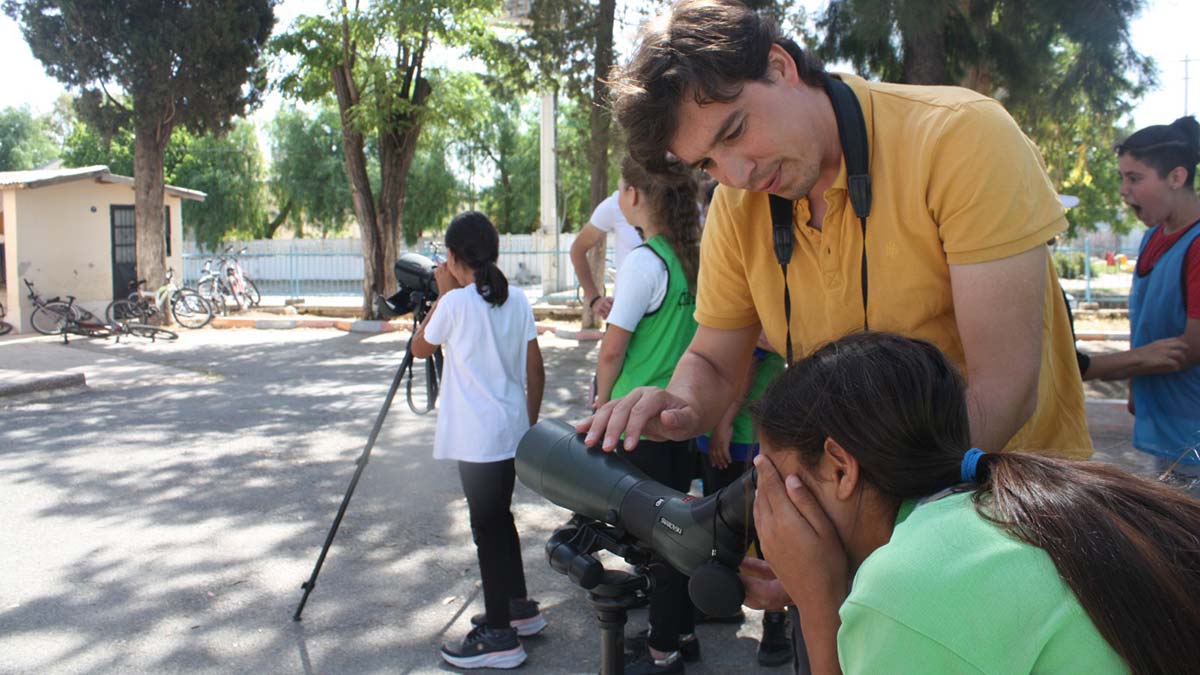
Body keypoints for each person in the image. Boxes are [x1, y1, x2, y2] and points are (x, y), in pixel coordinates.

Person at [583, 0, 1091, 462]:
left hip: (1011, 510)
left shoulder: (959, 136)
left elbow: (1001, 392)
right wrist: (681, 407)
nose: (739, 176)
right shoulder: (736, 206)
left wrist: (868, 518)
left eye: (735, 131)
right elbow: (714, 362)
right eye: (708, 164)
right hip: (851, 513)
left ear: (780, 67)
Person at [745, 331, 1200, 674]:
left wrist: (820, 608)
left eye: (777, 482)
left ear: (840, 468)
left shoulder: (906, 585)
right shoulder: (999, 512)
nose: (770, 509)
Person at [411, 212, 547, 670]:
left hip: (477, 442)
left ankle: (499, 637)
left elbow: (419, 347)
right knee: (499, 521)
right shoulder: (518, 301)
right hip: (510, 435)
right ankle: (516, 607)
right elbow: (536, 370)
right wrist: (526, 427)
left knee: (486, 530)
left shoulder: (454, 304)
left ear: (451, 257)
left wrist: (443, 291)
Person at [592, 156, 701, 675]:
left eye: (620, 188)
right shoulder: (687, 257)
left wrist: (599, 401)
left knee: (657, 543)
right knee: (678, 535)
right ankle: (681, 634)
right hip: (680, 416)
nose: (617, 197)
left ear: (636, 195)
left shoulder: (642, 261)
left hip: (638, 423)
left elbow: (613, 350)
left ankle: (662, 653)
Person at [692, 337, 791, 667]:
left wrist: (725, 421)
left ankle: (775, 623)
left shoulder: (759, 296)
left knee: (763, 531)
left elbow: (751, 360)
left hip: (744, 435)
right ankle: (727, 601)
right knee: (722, 528)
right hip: (721, 432)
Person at [1111, 116, 1200, 479]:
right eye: (1121, 177)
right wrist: (1136, 383)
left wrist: (1089, 367)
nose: (1123, 189)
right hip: (1164, 429)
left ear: (1176, 178)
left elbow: (1187, 350)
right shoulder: (1153, 237)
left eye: (1134, 178)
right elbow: (1147, 322)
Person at [570, 190, 644, 319]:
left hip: (674, 312)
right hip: (627, 315)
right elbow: (578, 249)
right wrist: (594, 299)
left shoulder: (681, 200)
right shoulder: (617, 203)